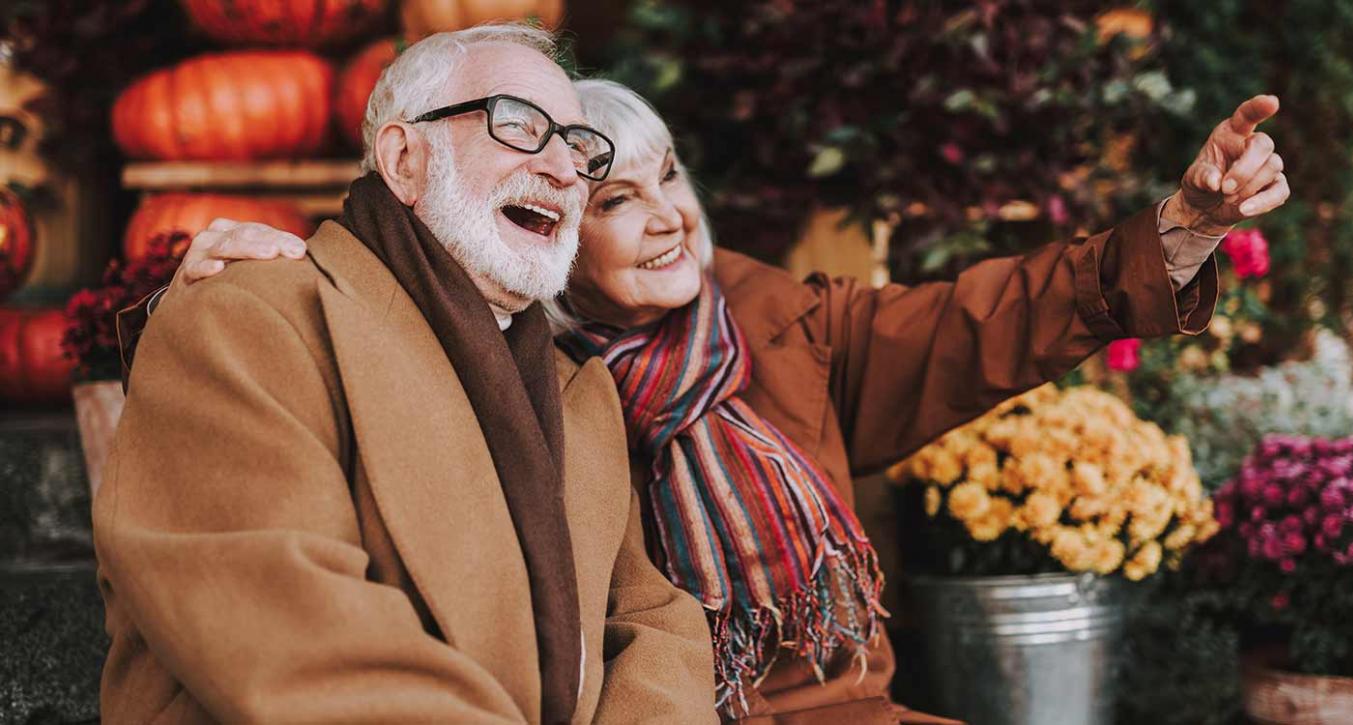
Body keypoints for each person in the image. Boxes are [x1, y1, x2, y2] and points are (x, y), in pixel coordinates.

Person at [127, 46, 1289, 725]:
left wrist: (1180, 228)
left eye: (623, 167)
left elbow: (979, 321)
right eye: (605, 187)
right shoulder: (300, 322)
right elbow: (282, 614)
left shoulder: (743, 333)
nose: (576, 177)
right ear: (401, 156)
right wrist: (175, 293)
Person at [94, 25, 718, 723]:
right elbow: (294, 631)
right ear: (403, 158)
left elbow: (652, 620)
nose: (566, 171)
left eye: (578, 147)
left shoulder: (580, 390)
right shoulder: (246, 316)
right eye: (519, 125)